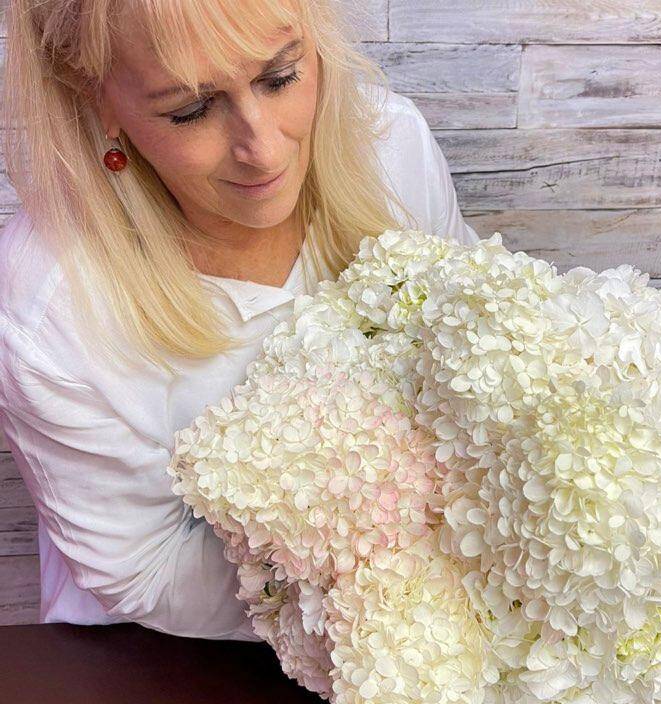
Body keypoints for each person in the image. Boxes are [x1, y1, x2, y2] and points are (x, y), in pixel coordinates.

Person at [0, 0, 481, 641]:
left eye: (281, 77)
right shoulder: (49, 312)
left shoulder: (392, 147)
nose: (262, 147)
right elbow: (147, 571)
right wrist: (400, 587)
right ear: (95, 95)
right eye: (191, 110)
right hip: (161, 672)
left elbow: (477, 335)